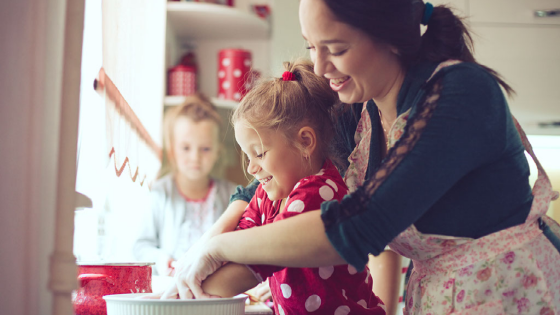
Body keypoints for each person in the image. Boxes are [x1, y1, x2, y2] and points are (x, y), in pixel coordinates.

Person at [165, 1, 560, 314]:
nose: (320, 67)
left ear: (389, 38)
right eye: (311, 47)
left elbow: (357, 226)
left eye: (335, 49)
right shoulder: (360, 109)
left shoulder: (460, 95)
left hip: (511, 292)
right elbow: (261, 185)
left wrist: (218, 250)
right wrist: (204, 249)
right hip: (442, 297)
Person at [196, 59, 386, 314]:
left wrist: (189, 288)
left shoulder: (319, 192)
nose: (252, 169)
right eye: (248, 156)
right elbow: (240, 237)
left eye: (260, 154)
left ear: (305, 142)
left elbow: (253, 264)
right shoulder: (268, 194)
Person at [132, 93, 236, 276]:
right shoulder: (160, 193)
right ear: (172, 150)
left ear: (217, 152)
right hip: (171, 288)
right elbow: (141, 245)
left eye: (205, 149)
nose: (195, 157)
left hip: (216, 289)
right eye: (186, 148)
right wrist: (163, 261)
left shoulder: (233, 196)